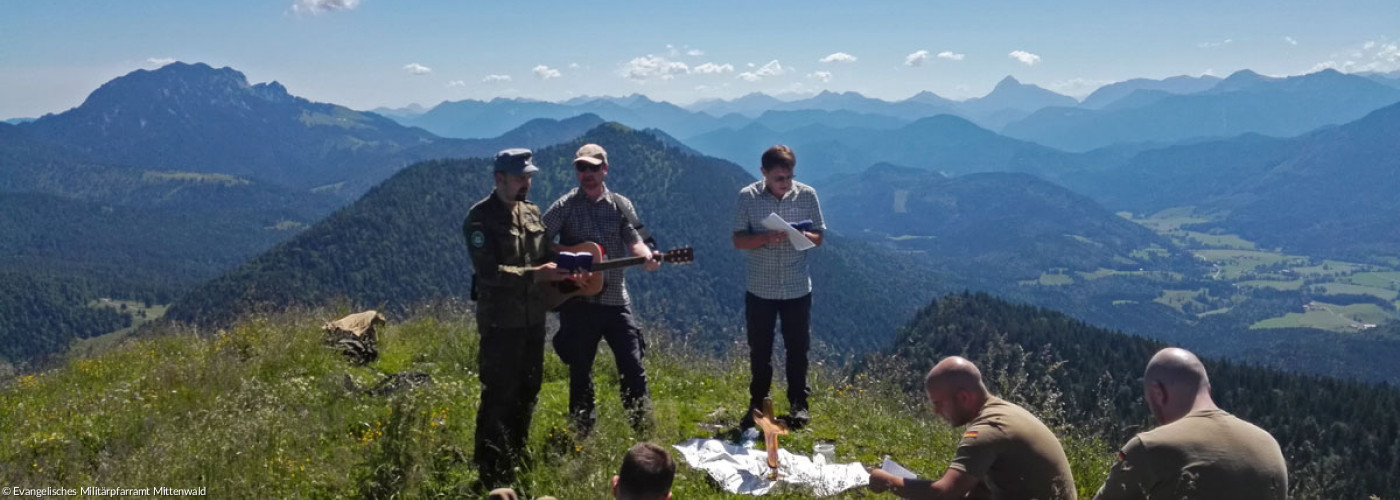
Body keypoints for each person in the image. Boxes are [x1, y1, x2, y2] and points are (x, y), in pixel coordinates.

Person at [464, 148, 570, 487]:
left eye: (529, 176)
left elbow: (544, 253)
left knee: (529, 387)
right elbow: (489, 272)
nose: (527, 182)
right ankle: (488, 465)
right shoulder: (480, 219)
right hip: (500, 322)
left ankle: (516, 451)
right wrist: (535, 275)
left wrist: (572, 261)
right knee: (499, 392)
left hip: (532, 319)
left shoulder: (532, 212)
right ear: (500, 179)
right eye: (520, 177)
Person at [543, 143, 661, 433]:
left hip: (615, 299)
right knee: (580, 369)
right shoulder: (565, 206)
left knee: (632, 365)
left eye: (594, 168)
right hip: (577, 300)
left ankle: (642, 430)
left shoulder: (621, 205)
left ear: (605, 169)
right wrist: (567, 260)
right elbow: (537, 241)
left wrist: (644, 254)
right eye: (581, 168)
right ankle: (582, 432)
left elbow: (633, 238)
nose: (588, 174)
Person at [1091, 348, 1288, 500]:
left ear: (1158, 393)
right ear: (1208, 389)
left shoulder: (1148, 448)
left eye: (1149, 402)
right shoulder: (1268, 445)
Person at [868, 356, 1078, 499]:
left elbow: (944, 494)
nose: (935, 412)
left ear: (964, 397)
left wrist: (887, 480)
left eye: (938, 403)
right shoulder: (1004, 412)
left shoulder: (986, 431)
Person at [731, 144, 824, 429]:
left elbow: (819, 236)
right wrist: (763, 238)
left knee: (798, 349)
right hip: (761, 287)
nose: (785, 183)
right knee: (760, 349)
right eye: (779, 178)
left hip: (797, 287)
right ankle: (758, 403)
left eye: (789, 177)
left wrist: (801, 234)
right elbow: (737, 240)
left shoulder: (807, 194)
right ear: (764, 173)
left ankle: (799, 405)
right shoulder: (748, 197)